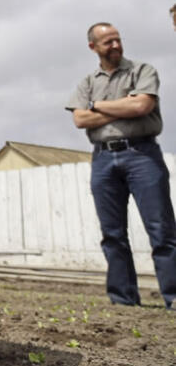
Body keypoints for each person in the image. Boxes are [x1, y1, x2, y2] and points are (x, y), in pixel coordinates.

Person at [68, 22, 176, 308]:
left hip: (141, 154)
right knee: (112, 233)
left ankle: (173, 297)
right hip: (102, 158)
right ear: (93, 47)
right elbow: (80, 120)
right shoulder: (88, 81)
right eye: (108, 42)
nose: (115, 45)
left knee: (161, 229)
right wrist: (121, 106)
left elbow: (141, 107)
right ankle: (123, 299)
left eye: (118, 40)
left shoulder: (142, 71)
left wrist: (98, 105)